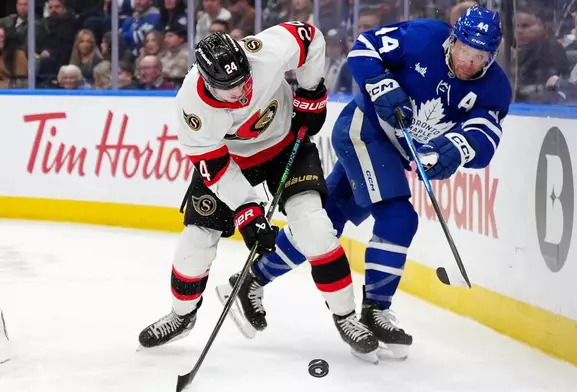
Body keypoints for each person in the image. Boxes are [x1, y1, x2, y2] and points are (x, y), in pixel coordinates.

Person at [220, 5, 512, 361]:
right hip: (364, 130)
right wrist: (381, 84)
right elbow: (364, 48)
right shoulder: (423, 36)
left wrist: (453, 149)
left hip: (395, 151)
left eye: (479, 57)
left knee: (325, 222)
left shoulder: (495, 88)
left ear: (491, 56)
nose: (469, 63)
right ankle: (375, 310)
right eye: (465, 50)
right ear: (454, 38)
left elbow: (484, 137)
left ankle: (250, 280)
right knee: (399, 217)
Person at [137, 23, 380, 361]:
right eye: (229, 90)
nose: (241, 93)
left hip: (285, 144)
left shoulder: (263, 52)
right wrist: (247, 210)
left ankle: (346, 317)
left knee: (313, 226)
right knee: (196, 239)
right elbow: (217, 169)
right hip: (233, 159)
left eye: (244, 82)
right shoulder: (192, 108)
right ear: (208, 83)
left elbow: (311, 37)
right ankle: (182, 315)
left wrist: (311, 94)